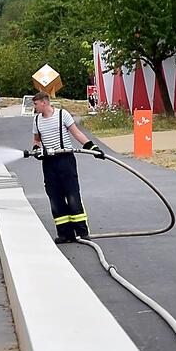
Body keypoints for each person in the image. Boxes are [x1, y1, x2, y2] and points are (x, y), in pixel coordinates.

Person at [31, 91, 104, 243]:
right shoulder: (37, 120)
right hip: (49, 163)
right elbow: (37, 140)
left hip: (65, 159)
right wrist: (37, 150)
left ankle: (82, 232)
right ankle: (65, 234)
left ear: (44, 102)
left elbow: (76, 133)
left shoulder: (62, 115)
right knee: (55, 197)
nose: (34, 107)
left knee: (72, 195)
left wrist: (92, 147)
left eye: (36, 104)